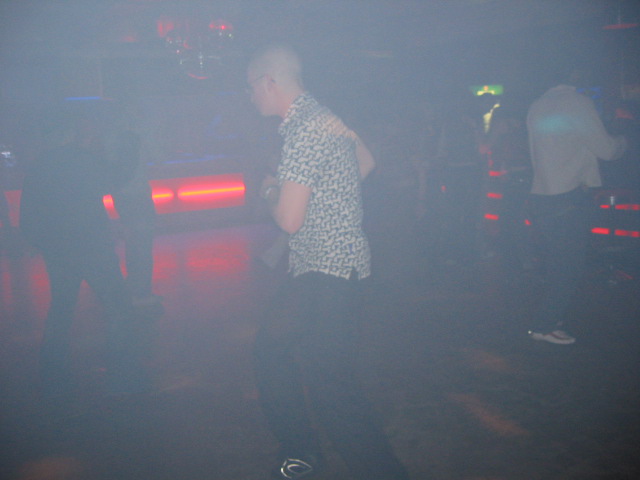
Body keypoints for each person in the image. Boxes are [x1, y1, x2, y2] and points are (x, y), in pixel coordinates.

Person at [247, 44, 410, 480]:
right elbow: (366, 162)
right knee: (274, 352)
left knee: (329, 381)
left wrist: (270, 190)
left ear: (269, 82)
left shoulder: (304, 129)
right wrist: (326, 192)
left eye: (251, 87)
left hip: (328, 270)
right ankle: (301, 452)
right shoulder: (325, 117)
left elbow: (288, 219)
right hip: (324, 267)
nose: (250, 96)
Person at [19, 107, 148, 402]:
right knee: (117, 305)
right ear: (69, 132)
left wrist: (42, 243)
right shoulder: (80, 158)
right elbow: (116, 177)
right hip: (91, 245)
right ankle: (124, 379)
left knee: (61, 308)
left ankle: (53, 380)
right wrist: (130, 143)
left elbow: (27, 217)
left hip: (59, 249)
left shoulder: (39, 165)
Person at [526, 69, 627, 345]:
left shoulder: (537, 104)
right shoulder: (577, 102)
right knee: (567, 267)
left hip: (543, 194)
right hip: (567, 196)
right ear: (574, 75)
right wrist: (625, 142)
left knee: (558, 265)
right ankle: (544, 325)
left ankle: (550, 321)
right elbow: (606, 149)